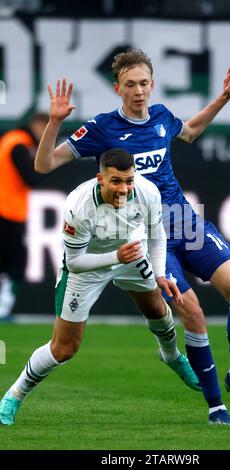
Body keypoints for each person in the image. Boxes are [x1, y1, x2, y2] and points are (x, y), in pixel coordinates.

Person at [34, 49, 230, 425]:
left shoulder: (161, 117)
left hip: (184, 220)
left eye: (144, 83)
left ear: (152, 84)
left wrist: (223, 99)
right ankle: (216, 407)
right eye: (130, 85)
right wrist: (54, 122)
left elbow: (190, 132)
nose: (139, 91)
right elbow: (44, 164)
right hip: (148, 234)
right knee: (191, 311)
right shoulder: (101, 128)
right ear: (118, 89)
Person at [0, 148, 201, 426]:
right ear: (100, 179)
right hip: (88, 266)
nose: (124, 189)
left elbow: (157, 234)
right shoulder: (78, 206)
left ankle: (171, 356)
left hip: (132, 251)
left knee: (158, 308)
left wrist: (159, 273)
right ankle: (14, 394)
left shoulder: (146, 191)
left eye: (128, 180)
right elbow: (75, 262)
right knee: (64, 348)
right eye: (116, 181)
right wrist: (115, 257)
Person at [0, 112, 48, 321]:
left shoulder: (10, 139)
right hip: (7, 211)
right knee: (16, 263)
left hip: (8, 209)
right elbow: (31, 178)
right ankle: (3, 308)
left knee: (10, 261)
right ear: (37, 124)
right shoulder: (19, 143)